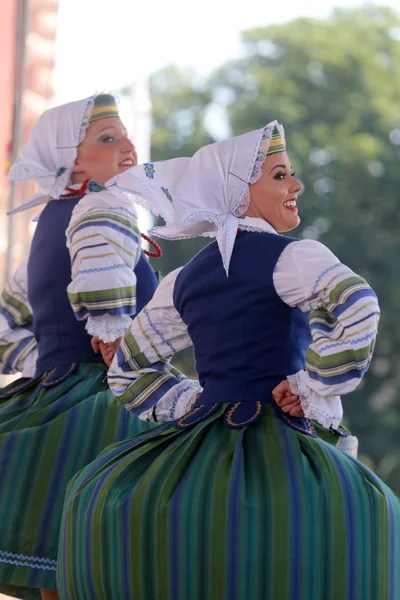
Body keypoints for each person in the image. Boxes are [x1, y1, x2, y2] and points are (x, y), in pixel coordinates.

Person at [57, 122, 400, 600]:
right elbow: (359, 304)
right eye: (280, 175)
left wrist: (193, 404)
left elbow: (129, 371)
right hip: (278, 436)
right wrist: (313, 385)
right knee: (353, 522)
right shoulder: (295, 257)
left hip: (200, 438)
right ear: (239, 193)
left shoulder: (183, 278)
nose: (296, 185)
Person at [0, 94, 160, 600]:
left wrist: (48, 360)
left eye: (125, 135)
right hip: (106, 397)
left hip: (53, 392)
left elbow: (5, 327)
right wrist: (113, 338)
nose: (129, 148)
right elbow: (103, 283)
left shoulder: (48, 221)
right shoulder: (103, 205)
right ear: (71, 156)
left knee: (57, 574)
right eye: (108, 139)